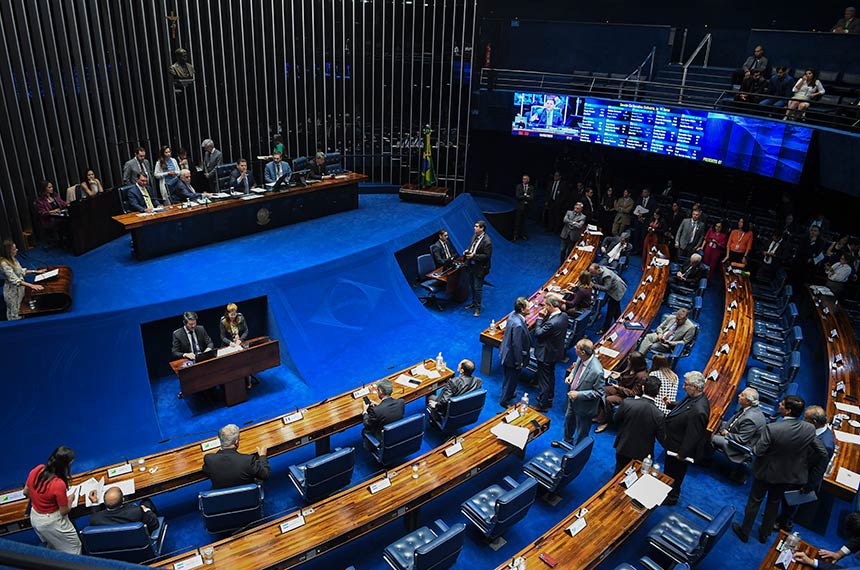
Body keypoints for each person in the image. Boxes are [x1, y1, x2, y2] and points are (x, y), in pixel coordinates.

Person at [732, 395, 828, 544]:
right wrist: (800, 462)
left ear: (788, 411)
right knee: (774, 503)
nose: (779, 405)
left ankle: (745, 532)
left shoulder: (773, 428)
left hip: (765, 472)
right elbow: (822, 453)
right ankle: (765, 534)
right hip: (786, 475)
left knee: (754, 502)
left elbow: (758, 451)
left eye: (782, 404)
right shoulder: (809, 428)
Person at [775, 405, 836, 533]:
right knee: (783, 496)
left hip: (802, 479)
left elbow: (819, 469)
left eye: (805, 418)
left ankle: (783, 524)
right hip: (794, 470)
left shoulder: (826, 444)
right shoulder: (814, 430)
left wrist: (808, 487)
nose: (803, 419)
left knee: (790, 503)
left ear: (814, 421)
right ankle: (777, 516)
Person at [659, 371, 710, 505]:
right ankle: (666, 491)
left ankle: (671, 498)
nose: (683, 387)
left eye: (686, 384)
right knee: (669, 471)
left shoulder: (699, 410)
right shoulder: (693, 397)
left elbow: (694, 435)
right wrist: (670, 404)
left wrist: (682, 454)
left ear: (695, 387)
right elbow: (684, 407)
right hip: (673, 443)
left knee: (675, 474)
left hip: (679, 450)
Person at [22, 446, 81, 553]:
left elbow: (26, 492)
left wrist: (39, 499)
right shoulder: (59, 484)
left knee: (53, 546)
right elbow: (64, 511)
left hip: (35, 517)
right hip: (52, 522)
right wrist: (70, 499)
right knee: (74, 548)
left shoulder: (38, 469)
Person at [613, 376, 666, 474]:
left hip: (623, 446)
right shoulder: (659, 415)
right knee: (636, 477)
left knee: (618, 473)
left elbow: (615, 420)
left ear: (643, 388)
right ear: (658, 392)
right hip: (642, 454)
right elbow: (662, 438)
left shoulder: (627, 402)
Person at [563, 339, 605, 445]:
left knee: (582, 431)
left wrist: (578, 394)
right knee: (568, 422)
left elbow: (599, 392)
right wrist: (571, 376)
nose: (574, 348)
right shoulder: (581, 358)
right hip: (572, 400)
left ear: (583, 352)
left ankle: (578, 450)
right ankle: (567, 442)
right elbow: (575, 369)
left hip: (585, 406)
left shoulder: (597, 371)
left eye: (576, 347)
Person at [202, 424, 270, 489]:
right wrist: (262, 456)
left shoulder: (209, 459)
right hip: (246, 494)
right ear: (236, 442)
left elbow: (207, 472)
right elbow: (265, 474)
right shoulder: (248, 460)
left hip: (222, 496)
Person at [711, 388, 766, 467]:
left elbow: (742, 439)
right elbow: (735, 420)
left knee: (711, 437)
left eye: (742, 395)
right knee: (716, 422)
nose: (739, 396)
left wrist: (726, 434)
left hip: (739, 446)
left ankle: (704, 459)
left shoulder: (750, 419)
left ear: (748, 401)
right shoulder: (748, 407)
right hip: (735, 430)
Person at [595, 351, 648, 433]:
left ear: (635, 362)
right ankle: (600, 415)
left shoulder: (642, 376)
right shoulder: (631, 366)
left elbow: (633, 394)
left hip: (628, 397)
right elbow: (626, 376)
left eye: (629, 360)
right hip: (622, 388)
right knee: (602, 390)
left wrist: (619, 388)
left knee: (608, 400)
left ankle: (605, 421)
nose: (628, 361)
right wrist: (619, 375)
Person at [533, 294, 569, 412]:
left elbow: (538, 333)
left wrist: (539, 318)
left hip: (546, 354)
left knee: (544, 380)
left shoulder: (552, 323)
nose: (544, 308)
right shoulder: (564, 316)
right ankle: (548, 398)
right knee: (550, 377)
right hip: (555, 352)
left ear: (550, 306)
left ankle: (543, 405)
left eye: (545, 305)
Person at [1, 239, 45, 320]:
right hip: (12, 291)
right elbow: (14, 280)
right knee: (15, 313)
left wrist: (35, 271)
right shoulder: (4, 264)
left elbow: (20, 271)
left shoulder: (13, 258)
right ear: (8, 251)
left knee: (22, 308)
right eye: (14, 249)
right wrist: (32, 285)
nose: (17, 250)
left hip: (20, 288)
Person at [499, 297, 531, 407]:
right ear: (522, 309)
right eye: (528, 306)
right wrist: (519, 362)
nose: (530, 307)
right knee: (511, 379)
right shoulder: (518, 325)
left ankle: (509, 393)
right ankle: (504, 400)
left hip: (506, 351)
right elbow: (516, 345)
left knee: (509, 377)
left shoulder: (513, 314)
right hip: (512, 356)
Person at [89, 487, 158, 533]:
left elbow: (95, 516)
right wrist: (146, 510)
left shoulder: (95, 519)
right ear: (123, 500)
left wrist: (95, 503)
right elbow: (154, 525)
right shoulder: (136, 511)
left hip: (114, 547)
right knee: (146, 502)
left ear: (104, 502)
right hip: (137, 541)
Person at [463, 221, 492, 317]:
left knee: (477, 288)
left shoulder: (487, 241)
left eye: (476, 226)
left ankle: (477, 308)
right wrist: (468, 251)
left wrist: (474, 256)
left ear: (482, 228)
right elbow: (472, 246)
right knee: (472, 286)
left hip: (480, 268)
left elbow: (487, 256)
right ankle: (473, 303)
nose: (474, 228)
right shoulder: (474, 236)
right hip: (471, 265)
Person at [589, 263, 627, 334]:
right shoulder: (600, 269)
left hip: (616, 291)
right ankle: (619, 322)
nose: (591, 274)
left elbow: (606, 288)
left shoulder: (606, 276)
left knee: (610, 311)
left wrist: (594, 285)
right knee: (616, 308)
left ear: (597, 270)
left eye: (592, 273)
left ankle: (605, 329)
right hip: (613, 290)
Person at [514, 174, 534, 241]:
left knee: (524, 222)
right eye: (523, 179)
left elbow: (531, 197)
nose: (524, 180)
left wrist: (523, 196)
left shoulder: (531, 187)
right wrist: (526, 196)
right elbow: (518, 196)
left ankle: (523, 235)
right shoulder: (519, 186)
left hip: (527, 207)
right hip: (520, 207)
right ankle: (515, 235)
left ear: (528, 180)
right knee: (517, 222)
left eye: (525, 179)